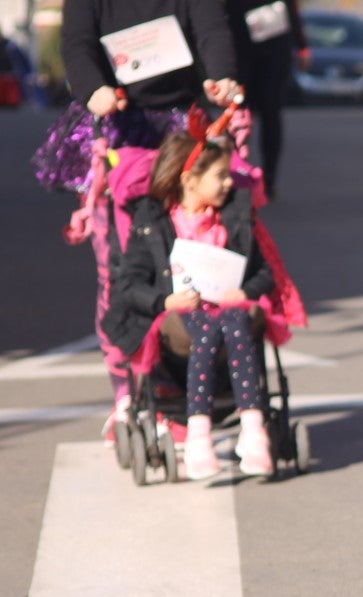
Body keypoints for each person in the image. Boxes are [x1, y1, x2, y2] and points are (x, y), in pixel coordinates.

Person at [32, 0, 240, 443]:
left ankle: (180, 390)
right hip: (117, 132)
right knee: (120, 272)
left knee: (188, 263)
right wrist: (93, 89)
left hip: (181, 133)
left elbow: (212, 29)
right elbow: (78, 43)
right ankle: (126, 395)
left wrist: (221, 75)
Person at [102, 130, 277, 480]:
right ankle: (198, 435)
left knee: (235, 321)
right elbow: (128, 283)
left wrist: (244, 293)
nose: (229, 182)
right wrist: (164, 299)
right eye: (220, 176)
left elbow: (264, 273)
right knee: (206, 330)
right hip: (177, 315)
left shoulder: (233, 217)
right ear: (190, 180)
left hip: (229, 310)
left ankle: (253, 429)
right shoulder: (153, 222)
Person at [225, 0, 309, 200]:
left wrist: (302, 44)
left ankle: (268, 179)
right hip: (239, 42)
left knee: (271, 112)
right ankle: (233, 171)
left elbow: (291, 7)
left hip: (274, 47)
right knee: (237, 113)